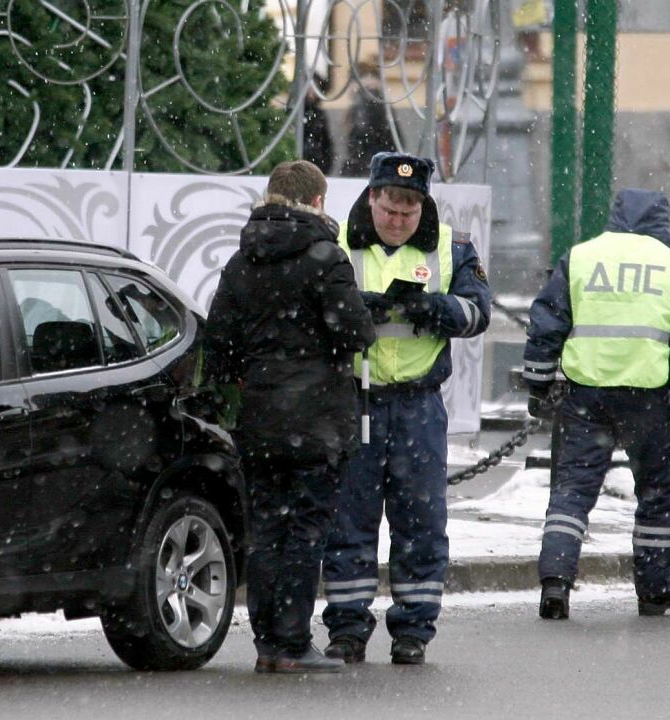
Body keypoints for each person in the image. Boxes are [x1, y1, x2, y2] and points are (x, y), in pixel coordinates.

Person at [204, 160, 375, 673]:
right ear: (318, 202)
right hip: (317, 417)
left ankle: (266, 645)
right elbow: (355, 334)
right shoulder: (326, 257)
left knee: (266, 529)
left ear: (270, 196)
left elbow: (219, 344)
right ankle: (294, 642)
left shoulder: (241, 260)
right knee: (306, 530)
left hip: (259, 417)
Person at [322, 151, 491, 665]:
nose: (398, 222)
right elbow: (312, 311)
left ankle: (414, 629)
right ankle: (347, 629)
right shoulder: (336, 244)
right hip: (354, 399)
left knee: (420, 518)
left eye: (409, 212)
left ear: (424, 206)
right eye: (390, 210)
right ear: (372, 197)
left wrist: (434, 309)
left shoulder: (452, 245)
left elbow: (478, 311)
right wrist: (350, 311)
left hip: (418, 403)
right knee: (349, 518)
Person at [521, 188, 670, 620]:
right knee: (657, 494)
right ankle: (654, 587)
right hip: (645, 400)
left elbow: (547, 321)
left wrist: (537, 380)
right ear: (661, 222)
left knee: (570, 492)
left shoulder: (582, 257)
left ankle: (556, 584)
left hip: (584, 395)